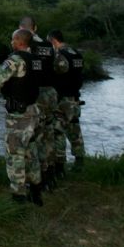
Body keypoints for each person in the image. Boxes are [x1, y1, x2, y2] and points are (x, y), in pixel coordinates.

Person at [0, 29, 42, 205]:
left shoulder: (15, 60)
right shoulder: (36, 59)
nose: (11, 42)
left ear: (18, 41)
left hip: (18, 115)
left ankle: (18, 196)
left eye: (12, 40)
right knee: (31, 152)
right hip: (34, 111)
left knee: (15, 154)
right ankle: (36, 191)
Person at [20, 16, 58, 190]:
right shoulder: (49, 45)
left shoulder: (26, 46)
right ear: (36, 27)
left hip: (34, 94)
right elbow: (59, 67)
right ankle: (49, 175)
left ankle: (34, 179)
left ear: (21, 28)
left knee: (31, 136)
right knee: (48, 133)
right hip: (50, 93)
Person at [47, 29, 86, 174]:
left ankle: (59, 165)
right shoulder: (76, 53)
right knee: (75, 131)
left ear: (53, 41)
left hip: (62, 99)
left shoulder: (59, 55)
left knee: (58, 131)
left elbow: (57, 73)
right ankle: (79, 162)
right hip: (75, 98)